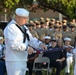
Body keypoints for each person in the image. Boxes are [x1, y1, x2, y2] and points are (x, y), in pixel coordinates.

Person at [4, 8, 47, 75]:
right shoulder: (11, 28)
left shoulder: (24, 28)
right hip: (14, 60)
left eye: (26, 18)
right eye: (24, 18)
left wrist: (40, 44)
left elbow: (31, 39)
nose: (26, 20)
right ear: (17, 17)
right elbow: (13, 44)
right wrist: (27, 48)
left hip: (23, 59)